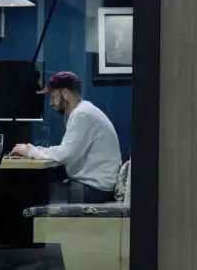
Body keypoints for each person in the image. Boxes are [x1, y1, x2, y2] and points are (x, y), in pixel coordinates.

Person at [11, 71, 122, 203]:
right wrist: (35, 150)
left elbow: (66, 154)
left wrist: (32, 151)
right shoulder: (84, 111)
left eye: (53, 96)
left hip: (94, 190)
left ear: (65, 93)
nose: (51, 103)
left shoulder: (82, 114)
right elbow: (67, 151)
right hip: (97, 187)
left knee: (35, 193)